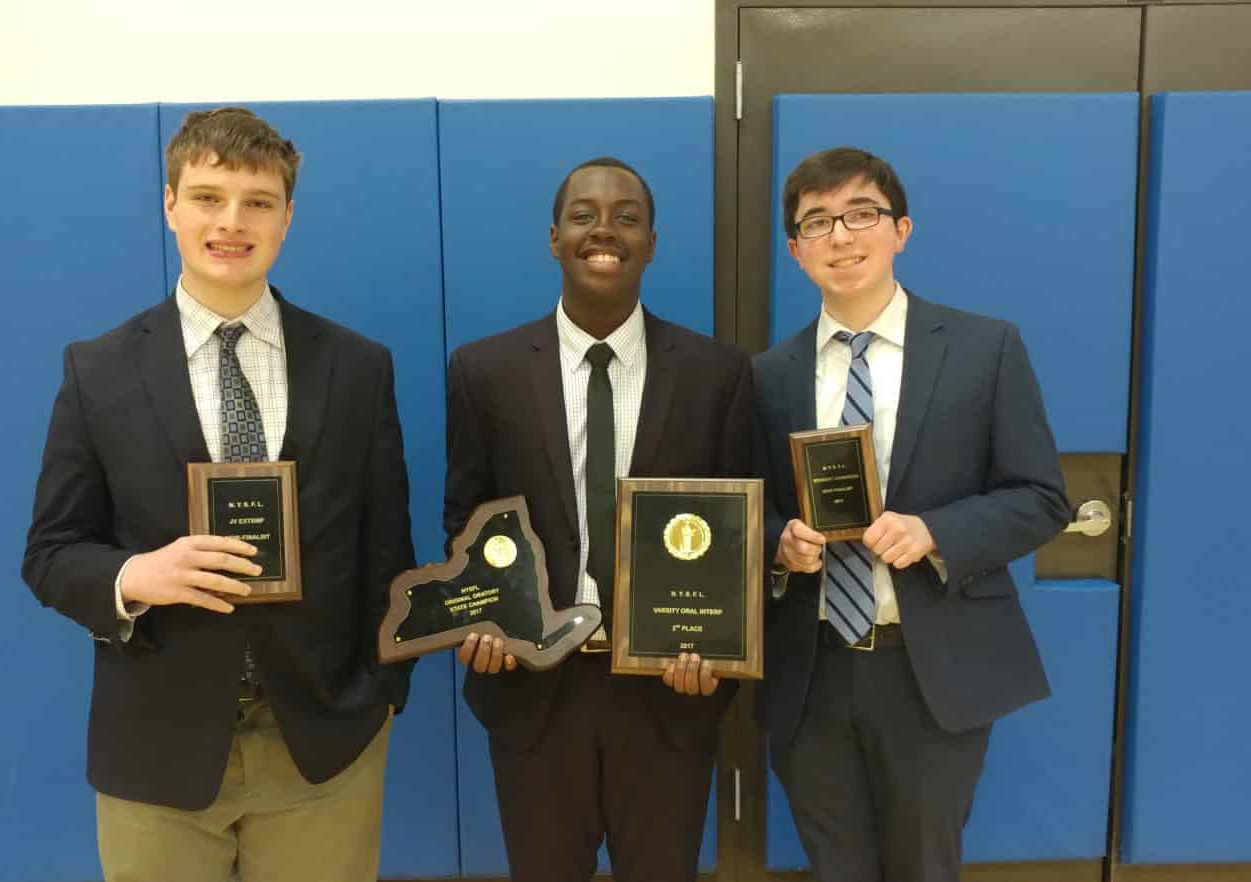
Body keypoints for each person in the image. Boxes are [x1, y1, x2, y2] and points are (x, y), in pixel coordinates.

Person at [22, 106, 414, 882]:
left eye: (258, 202)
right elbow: (51, 554)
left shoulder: (357, 367)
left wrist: (380, 698)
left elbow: (386, 550)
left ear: (287, 216)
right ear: (169, 205)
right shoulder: (97, 371)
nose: (231, 222)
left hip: (322, 746)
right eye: (207, 196)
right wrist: (135, 577)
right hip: (157, 746)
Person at [753, 147, 1070, 882]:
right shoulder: (770, 374)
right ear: (795, 251)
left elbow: (1042, 496)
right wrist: (780, 544)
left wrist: (936, 531)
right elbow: (756, 507)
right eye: (818, 222)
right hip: (813, 671)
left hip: (933, 669)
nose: (842, 236)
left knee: (925, 866)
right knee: (836, 866)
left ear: (901, 229)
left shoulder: (984, 348)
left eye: (861, 214)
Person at [443, 157, 753, 882]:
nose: (603, 230)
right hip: (533, 685)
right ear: (554, 238)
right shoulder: (484, 372)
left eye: (626, 216)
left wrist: (721, 649)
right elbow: (466, 519)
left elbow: (736, 529)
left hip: (668, 691)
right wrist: (478, 618)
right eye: (583, 215)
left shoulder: (717, 375)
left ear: (651, 242)